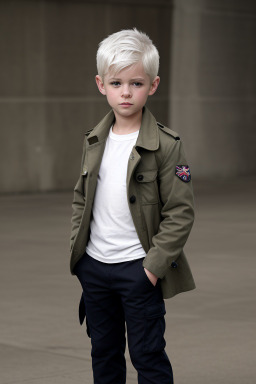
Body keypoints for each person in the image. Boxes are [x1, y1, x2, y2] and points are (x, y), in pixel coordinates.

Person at [70, 28, 195, 384]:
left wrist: (152, 269)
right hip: (95, 269)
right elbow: (81, 197)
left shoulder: (167, 146)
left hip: (138, 270)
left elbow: (180, 212)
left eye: (136, 83)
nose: (126, 92)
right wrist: (79, 257)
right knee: (104, 354)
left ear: (153, 85)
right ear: (101, 84)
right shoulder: (93, 140)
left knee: (148, 355)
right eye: (116, 83)